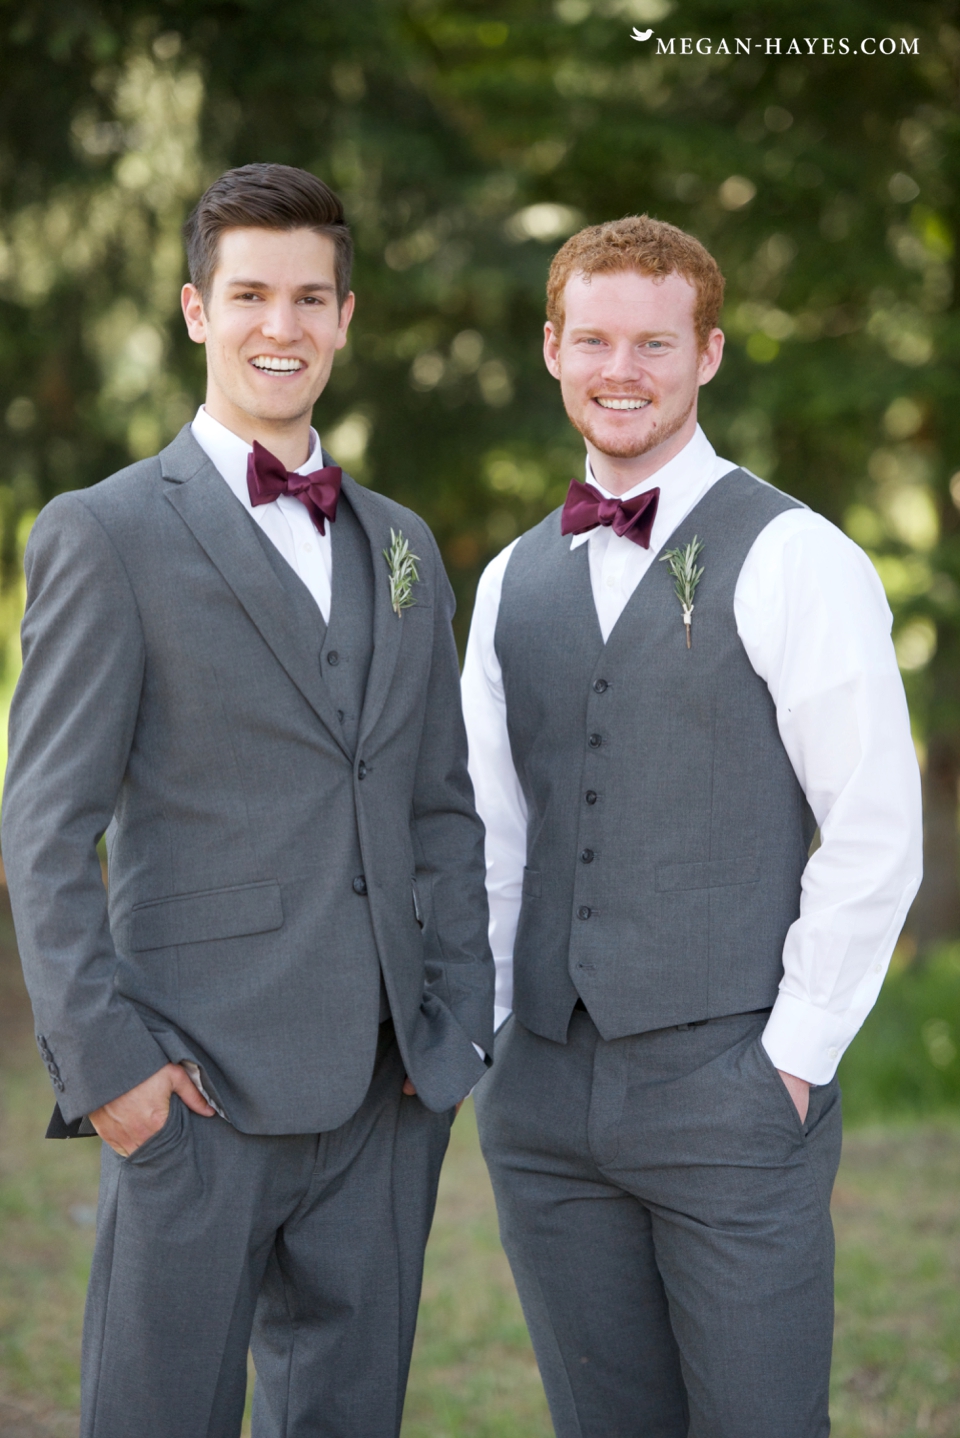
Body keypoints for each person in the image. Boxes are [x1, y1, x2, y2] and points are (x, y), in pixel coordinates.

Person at [2, 162, 493, 1438]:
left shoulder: (401, 545)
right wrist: (110, 1070)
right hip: (191, 1088)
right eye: (251, 295)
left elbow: (442, 805)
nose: (283, 325)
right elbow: (44, 828)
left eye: (310, 298)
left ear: (346, 318)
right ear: (195, 311)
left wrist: (453, 1020)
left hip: (385, 1093)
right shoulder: (105, 532)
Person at [462, 214, 922, 1438]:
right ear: (552, 349)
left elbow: (874, 827)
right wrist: (496, 1041)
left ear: (708, 354)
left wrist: (793, 1059)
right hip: (544, 1099)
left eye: (655, 343)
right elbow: (491, 833)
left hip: (731, 1085)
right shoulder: (509, 581)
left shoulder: (797, 555)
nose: (622, 369)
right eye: (594, 340)